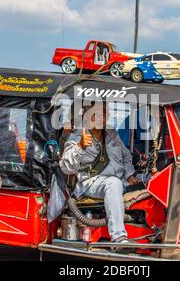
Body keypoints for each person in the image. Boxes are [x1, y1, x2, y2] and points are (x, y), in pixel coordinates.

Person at [59, 103, 139, 244]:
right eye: (95, 114)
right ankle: (119, 238)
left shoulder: (111, 133)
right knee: (113, 183)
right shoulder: (77, 136)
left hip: (121, 181)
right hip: (90, 183)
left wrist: (130, 175)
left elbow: (125, 155)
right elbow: (66, 167)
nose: (100, 117)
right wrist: (80, 146)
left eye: (103, 113)